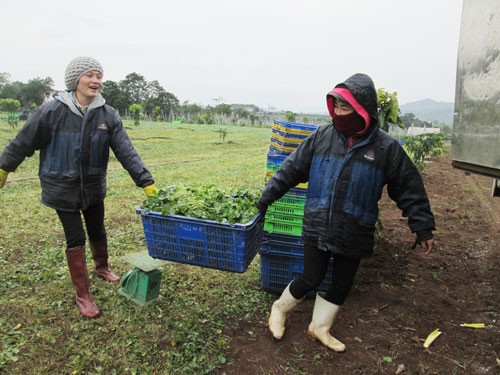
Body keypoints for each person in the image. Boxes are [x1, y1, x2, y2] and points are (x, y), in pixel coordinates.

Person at [256, 73, 435, 352]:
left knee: (341, 283)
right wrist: (265, 199)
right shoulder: (322, 137)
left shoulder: (386, 148)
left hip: (355, 227)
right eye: (335, 106)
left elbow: (409, 187)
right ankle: (279, 309)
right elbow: (291, 169)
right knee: (311, 278)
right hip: (318, 222)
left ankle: (320, 328)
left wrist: (422, 226)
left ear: (363, 109)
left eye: (345, 107)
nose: (338, 113)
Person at [0, 56, 159, 319]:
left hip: (94, 186)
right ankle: (83, 295)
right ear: (76, 80)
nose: (96, 81)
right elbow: (24, 141)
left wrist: (146, 181)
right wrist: (5, 166)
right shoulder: (52, 111)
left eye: (99, 76)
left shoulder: (107, 114)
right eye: (90, 75)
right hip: (61, 187)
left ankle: (102, 266)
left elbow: (126, 151)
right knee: (76, 238)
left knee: (98, 229)